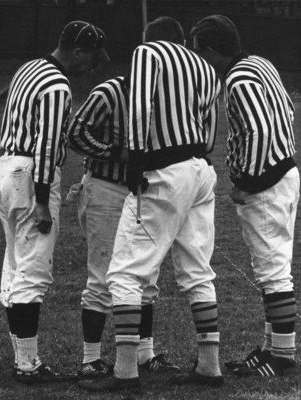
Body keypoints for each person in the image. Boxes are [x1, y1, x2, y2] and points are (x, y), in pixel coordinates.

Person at [79, 16, 223, 393]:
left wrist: (138, 161)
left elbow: (140, 106)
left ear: (150, 38)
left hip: (164, 169)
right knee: (197, 270)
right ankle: (210, 364)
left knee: (125, 272)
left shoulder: (148, 53)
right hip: (200, 171)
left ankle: (125, 371)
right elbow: (208, 133)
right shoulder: (205, 67)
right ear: (182, 39)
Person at [0, 20, 109, 384]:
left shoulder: (28, 68)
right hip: (30, 174)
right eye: (89, 57)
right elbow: (46, 145)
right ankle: (27, 365)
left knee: (15, 264)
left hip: (5, 168)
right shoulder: (58, 84)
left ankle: (23, 357)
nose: (91, 65)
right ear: (77, 51)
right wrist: (42, 200)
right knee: (33, 269)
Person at [191, 15, 299, 378]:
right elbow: (287, 111)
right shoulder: (261, 63)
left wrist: (247, 180)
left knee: (272, 269)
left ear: (210, 51)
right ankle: (273, 346)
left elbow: (256, 128)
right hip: (285, 170)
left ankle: (283, 353)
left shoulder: (238, 77)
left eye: (199, 54)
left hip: (267, 179)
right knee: (271, 265)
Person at [67, 73, 179, 379]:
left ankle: (145, 353)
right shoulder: (110, 92)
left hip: (144, 190)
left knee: (145, 272)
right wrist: (118, 153)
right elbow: (74, 133)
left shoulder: (165, 95)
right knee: (102, 273)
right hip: (107, 187)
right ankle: (90, 358)